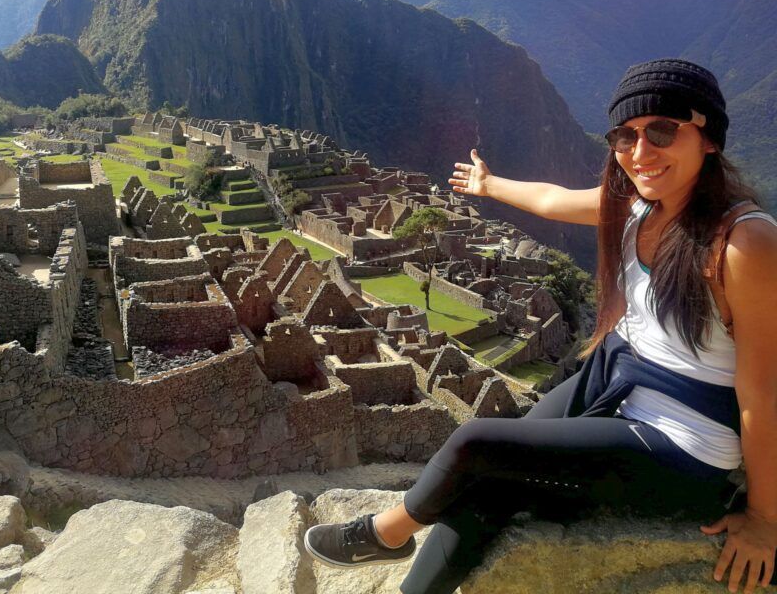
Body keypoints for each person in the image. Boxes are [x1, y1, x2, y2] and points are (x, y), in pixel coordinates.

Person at [303, 59, 777, 594]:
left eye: (662, 132)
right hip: (614, 379)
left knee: (475, 445)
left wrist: (764, 519)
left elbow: (761, 390)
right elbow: (552, 200)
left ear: (708, 137)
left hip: (682, 442)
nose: (640, 153)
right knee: (487, 485)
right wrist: (488, 183)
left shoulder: (743, 243)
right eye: (625, 136)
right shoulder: (639, 206)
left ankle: (387, 533)